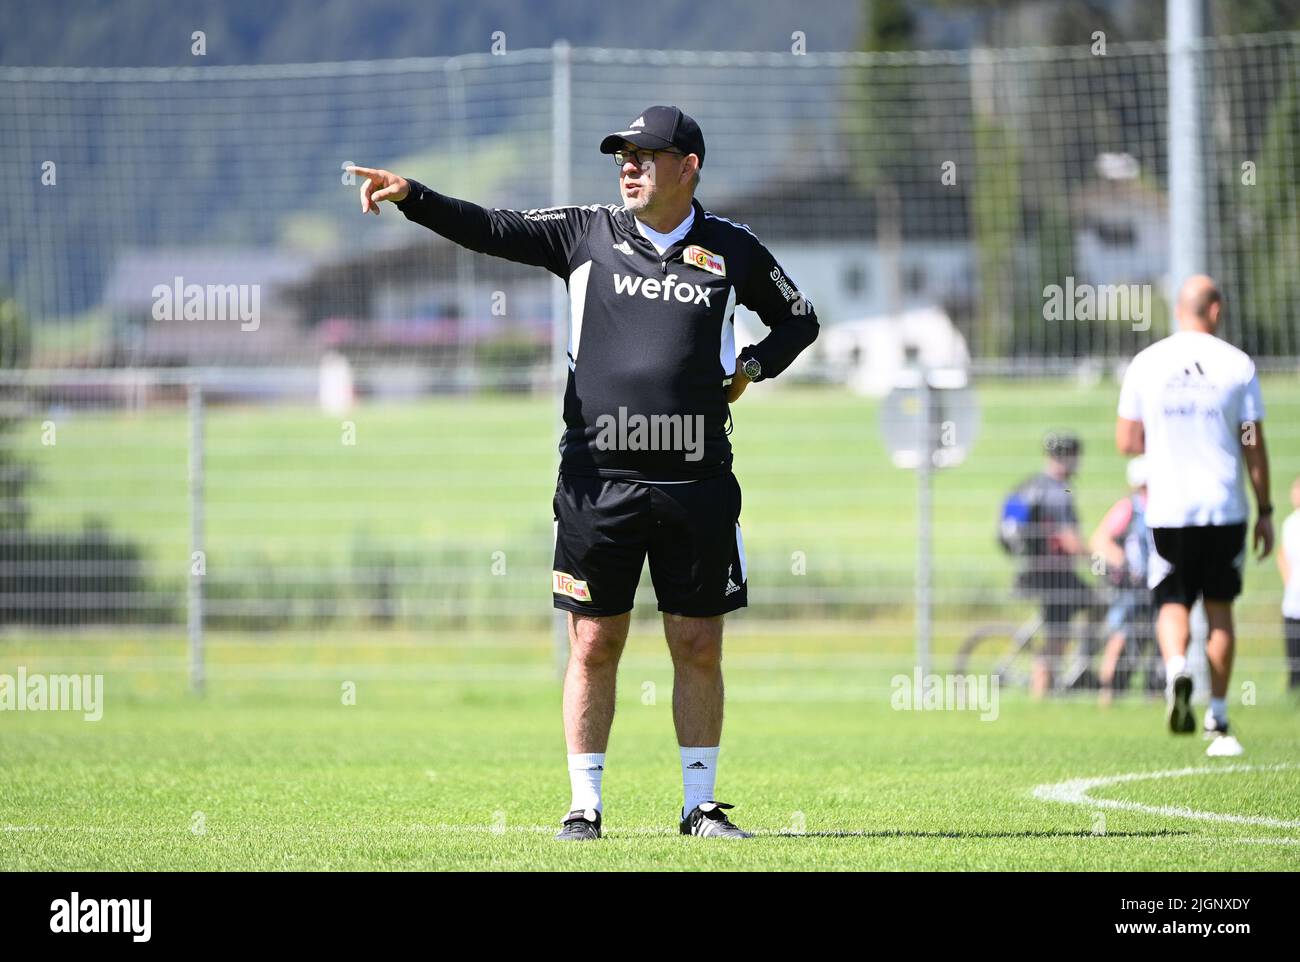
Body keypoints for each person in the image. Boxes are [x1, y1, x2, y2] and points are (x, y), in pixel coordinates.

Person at [347, 105, 819, 839]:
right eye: (621, 155)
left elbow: (799, 319)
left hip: (698, 484)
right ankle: (584, 806)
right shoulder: (586, 232)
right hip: (599, 483)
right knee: (595, 643)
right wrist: (415, 197)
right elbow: (493, 228)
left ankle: (700, 806)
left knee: (697, 645)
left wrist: (752, 365)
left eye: (645, 154)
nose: (628, 166)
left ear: (688, 164)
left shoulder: (733, 249)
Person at [1116, 274, 1272, 757]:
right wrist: (1265, 509)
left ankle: (1177, 666)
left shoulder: (1147, 363)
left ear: (1178, 309)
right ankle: (1219, 717)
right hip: (1224, 506)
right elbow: (1252, 443)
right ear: (1216, 310)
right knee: (1220, 608)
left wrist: (1164, 440)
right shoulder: (1237, 365)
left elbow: (1126, 440)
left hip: (1169, 508)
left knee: (1172, 601)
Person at [1012, 433, 1098, 696]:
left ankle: (1066, 673)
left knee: (1062, 625)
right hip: (1053, 574)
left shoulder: (1033, 484)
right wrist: (1099, 563)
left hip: (1035, 570)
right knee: (1071, 623)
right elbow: (1068, 537)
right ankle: (1043, 693)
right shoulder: (1059, 491)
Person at [1089, 456, 1162, 704]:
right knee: (1120, 634)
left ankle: (1157, 692)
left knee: (1160, 634)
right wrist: (1122, 561)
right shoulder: (1129, 507)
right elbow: (1100, 539)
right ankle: (1106, 692)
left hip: (1158, 583)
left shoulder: (1164, 506)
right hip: (1132, 585)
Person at [1277, 476, 1300, 692]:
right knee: (1294, 653)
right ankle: (1294, 693)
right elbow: (1282, 554)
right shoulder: (1290, 524)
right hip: (1293, 599)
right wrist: (1289, 581)